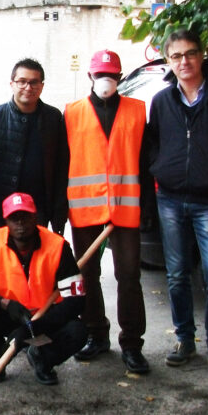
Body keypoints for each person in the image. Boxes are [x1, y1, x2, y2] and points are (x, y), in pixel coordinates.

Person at [147, 29, 208, 378]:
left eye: (190, 54)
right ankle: (185, 340)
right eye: (176, 56)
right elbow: (153, 143)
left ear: (202, 56)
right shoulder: (162, 101)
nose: (184, 62)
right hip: (170, 199)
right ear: (169, 61)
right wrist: (161, 168)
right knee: (176, 276)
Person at [66, 49, 151, 374]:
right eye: (101, 75)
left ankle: (132, 343)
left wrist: (148, 209)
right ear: (89, 76)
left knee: (129, 276)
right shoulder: (72, 113)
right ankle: (96, 334)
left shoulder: (137, 111)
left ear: (120, 77)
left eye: (112, 75)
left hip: (126, 208)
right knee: (87, 275)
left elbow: (145, 163)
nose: (106, 81)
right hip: (85, 208)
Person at [0, 193, 87, 384]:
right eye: (14, 218)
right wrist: (4, 304)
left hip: (44, 320)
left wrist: (32, 328)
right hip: (9, 314)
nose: (20, 223)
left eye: (25, 216)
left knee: (78, 332)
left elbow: (76, 301)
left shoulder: (58, 247)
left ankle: (42, 359)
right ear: (6, 220)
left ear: (35, 217)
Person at [0, 58, 68, 231]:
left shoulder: (53, 118)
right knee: (2, 257)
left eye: (34, 82)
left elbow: (61, 169)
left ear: (41, 86)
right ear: (12, 84)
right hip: (0, 209)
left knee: (37, 258)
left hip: (39, 210)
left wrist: (59, 215)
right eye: (22, 82)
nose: (28, 87)